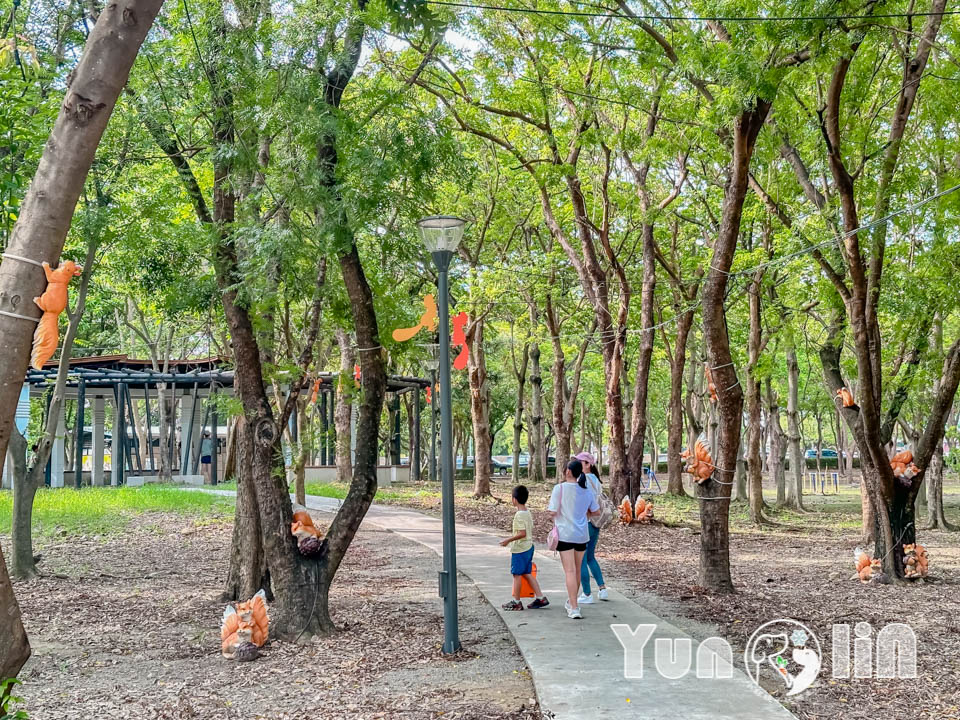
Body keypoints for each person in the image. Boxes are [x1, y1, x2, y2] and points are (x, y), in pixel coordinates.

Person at [548, 459, 600, 619]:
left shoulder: (559, 489)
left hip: (565, 534)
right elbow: (596, 512)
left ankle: (574, 607)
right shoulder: (586, 491)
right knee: (577, 570)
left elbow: (552, 511)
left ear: (568, 472)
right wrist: (584, 514)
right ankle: (572, 602)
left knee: (569, 571)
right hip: (581, 535)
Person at [500, 485, 549, 610]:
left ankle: (516, 602)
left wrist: (507, 540)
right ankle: (540, 598)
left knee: (516, 575)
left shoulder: (519, 515)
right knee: (527, 573)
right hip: (528, 547)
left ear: (514, 499)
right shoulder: (527, 512)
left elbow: (522, 533)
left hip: (520, 549)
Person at [575, 451, 609, 604]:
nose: (577, 464)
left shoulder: (584, 479)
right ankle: (602, 589)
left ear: (588, 464)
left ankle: (587, 593)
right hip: (596, 523)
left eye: (580, 462)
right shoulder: (596, 480)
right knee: (590, 557)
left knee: (581, 559)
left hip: (586, 523)